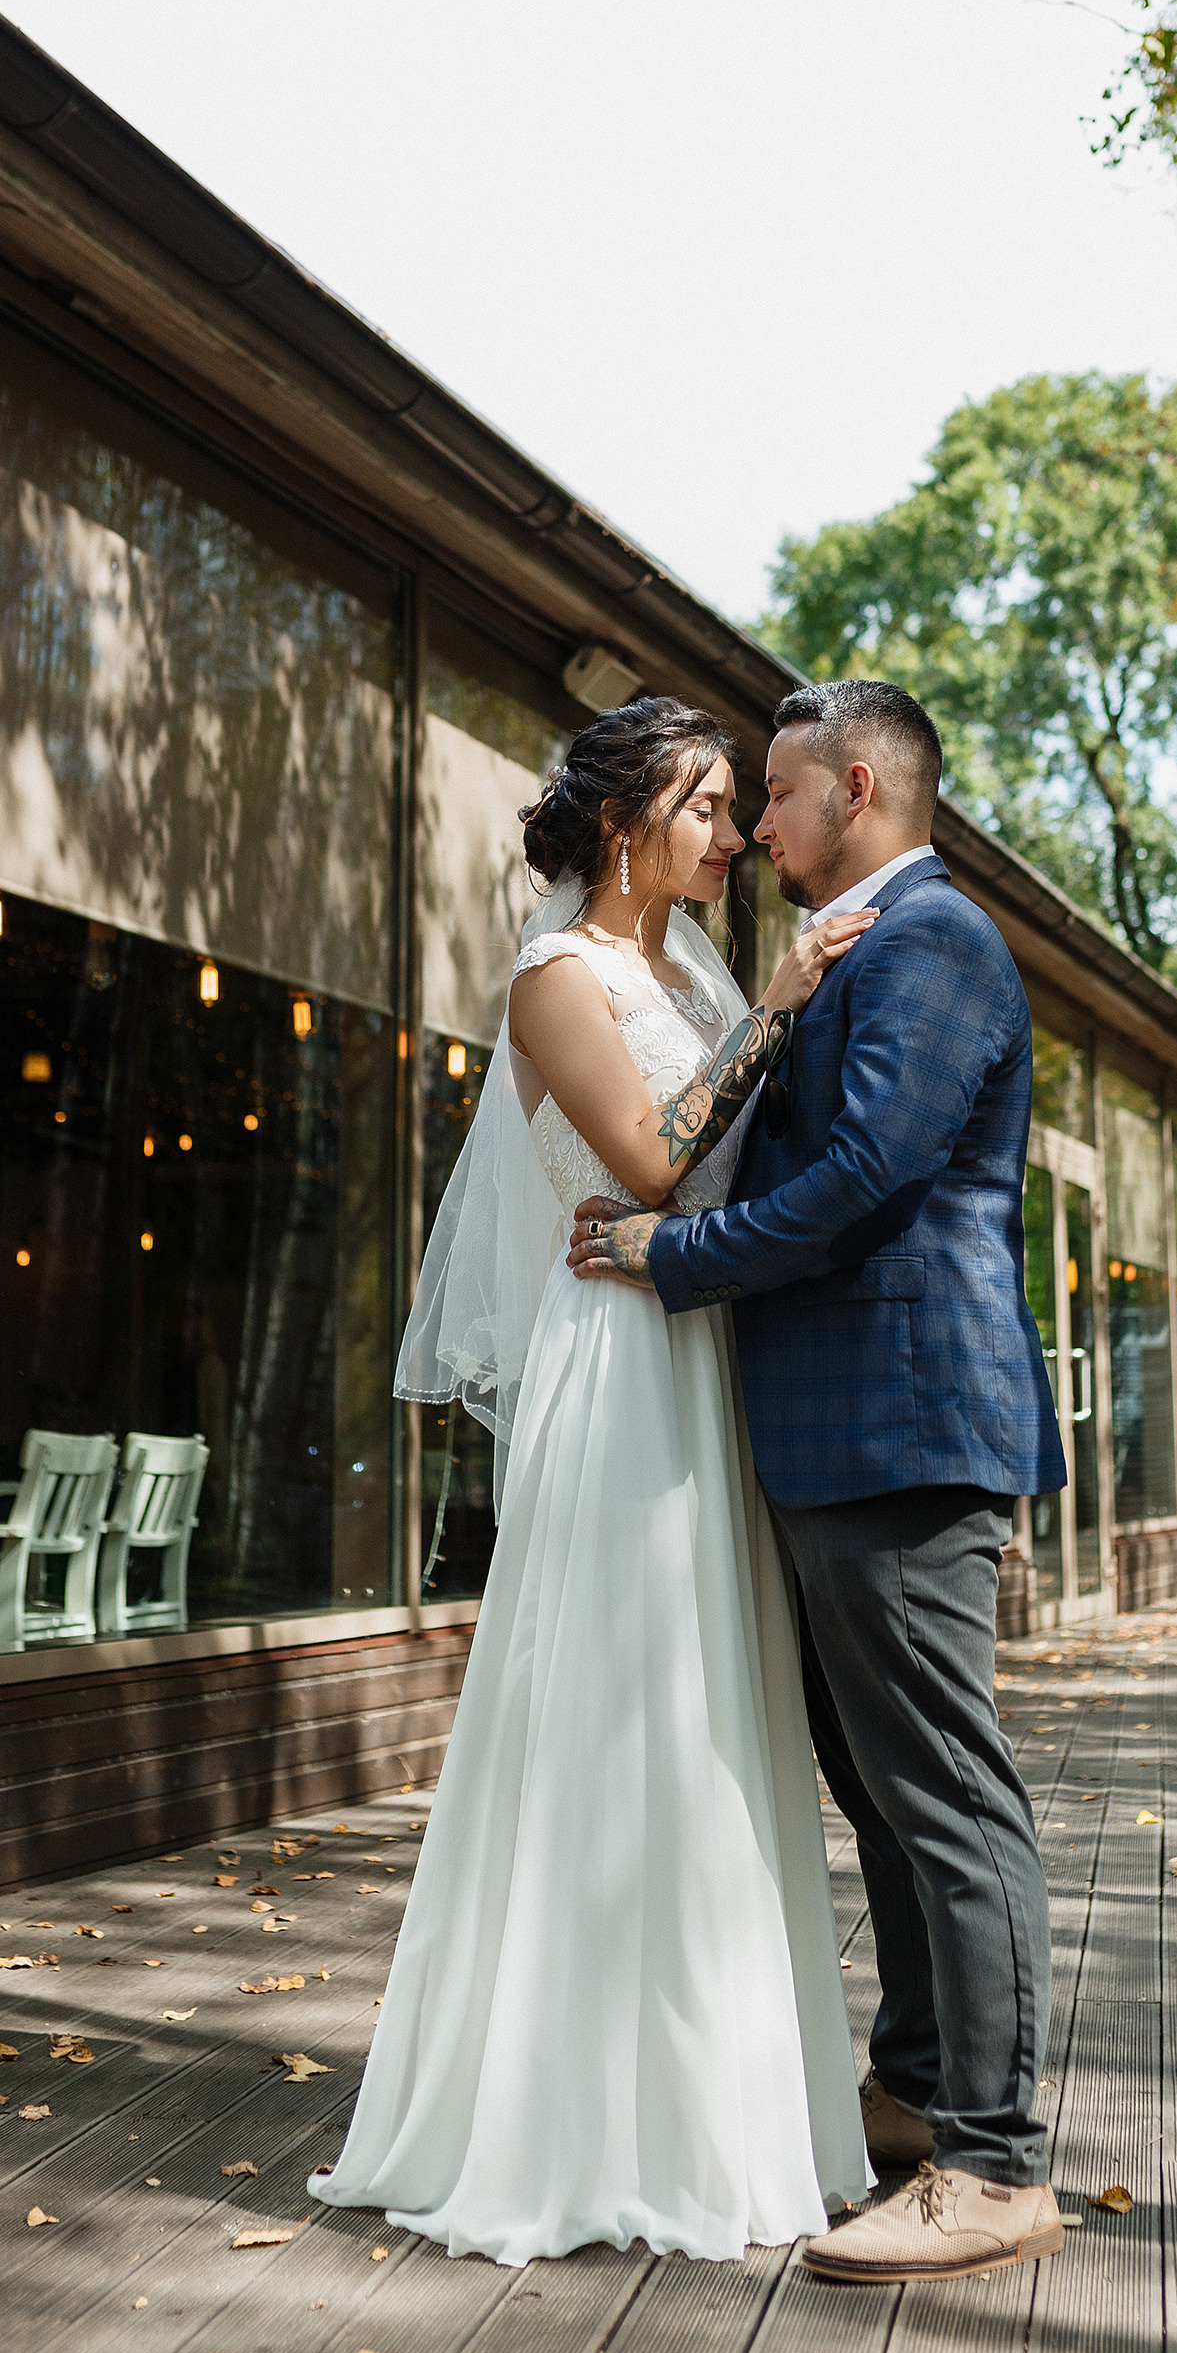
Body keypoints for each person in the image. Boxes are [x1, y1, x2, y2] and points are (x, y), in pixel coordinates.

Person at [308, 696, 874, 2265]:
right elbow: (653, 1164)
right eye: (702, 805)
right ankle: (564, 2124)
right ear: (627, 823)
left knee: (707, 1715)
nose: (728, 833)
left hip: (691, 1350)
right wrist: (769, 1013)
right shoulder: (558, 977)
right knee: (614, 1706)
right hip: (611, 1364)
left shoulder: (681, 966)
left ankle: (715, 2105)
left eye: (728, 806)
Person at [571, 677, 1067, 2285]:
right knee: (882, 1792)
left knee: (943, 1791)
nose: (758, 828)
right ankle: (918, 2094)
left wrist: (672, 1255)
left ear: (855, 788)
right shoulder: (857, 946)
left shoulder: (932, 941)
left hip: (904, 1427)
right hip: (842, 1435)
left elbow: (863, 1184)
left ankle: (995, 2167)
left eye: (774, 797)